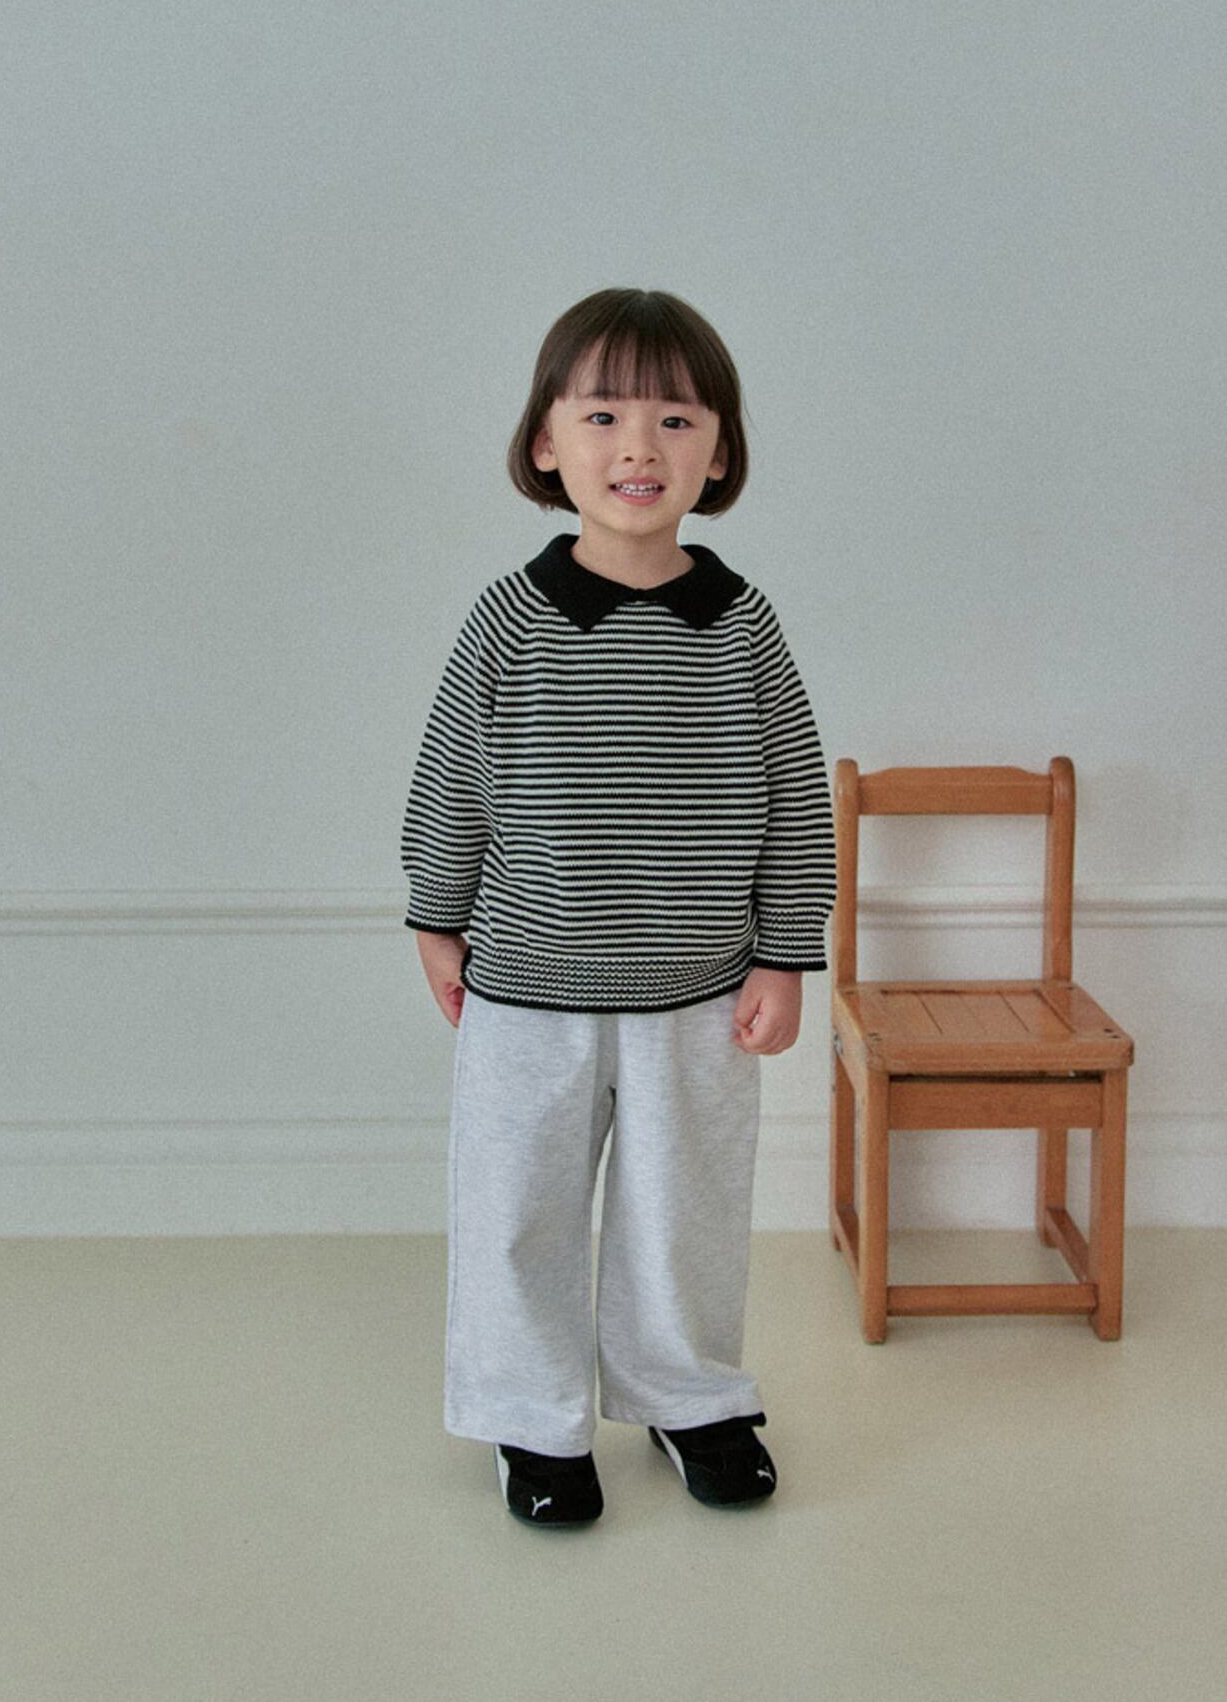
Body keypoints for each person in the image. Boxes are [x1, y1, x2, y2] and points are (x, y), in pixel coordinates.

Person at [400, 287, 835, 1527]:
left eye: (674, 419)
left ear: (719, 451)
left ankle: (686, 1394)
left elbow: (796, 797)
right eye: (602, 415)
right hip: (526, 988)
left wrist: (783, 953)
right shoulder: (507, 620)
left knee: (684, 1212)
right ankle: (529, 1418)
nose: (638, 446)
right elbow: (450, 776)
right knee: (517, 1211)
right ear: (546, 442)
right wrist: (436, 916)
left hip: (697, 993)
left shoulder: (741, 627)